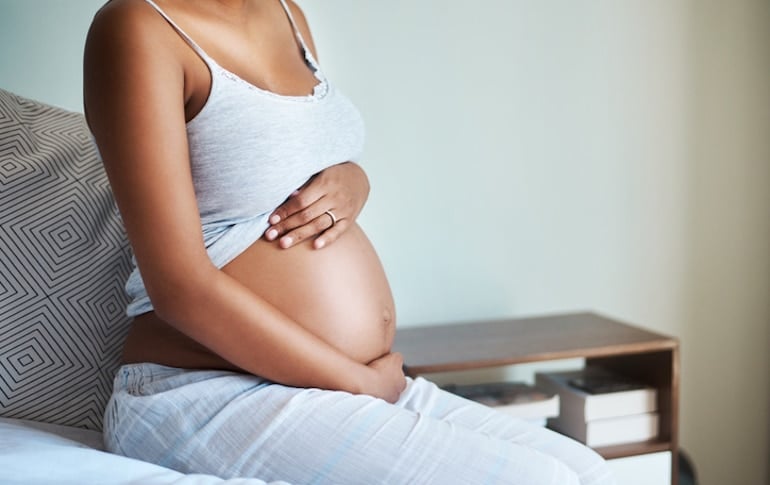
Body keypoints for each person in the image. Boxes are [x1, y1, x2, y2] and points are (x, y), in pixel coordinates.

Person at [83, 1, 616, 483]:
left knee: (590, 472)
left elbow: (290, 160)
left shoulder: (285, 12)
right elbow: (179, 285)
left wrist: (355, 180)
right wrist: (358, 385)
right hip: (203, 392)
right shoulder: (138, 26)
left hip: (333, 384)